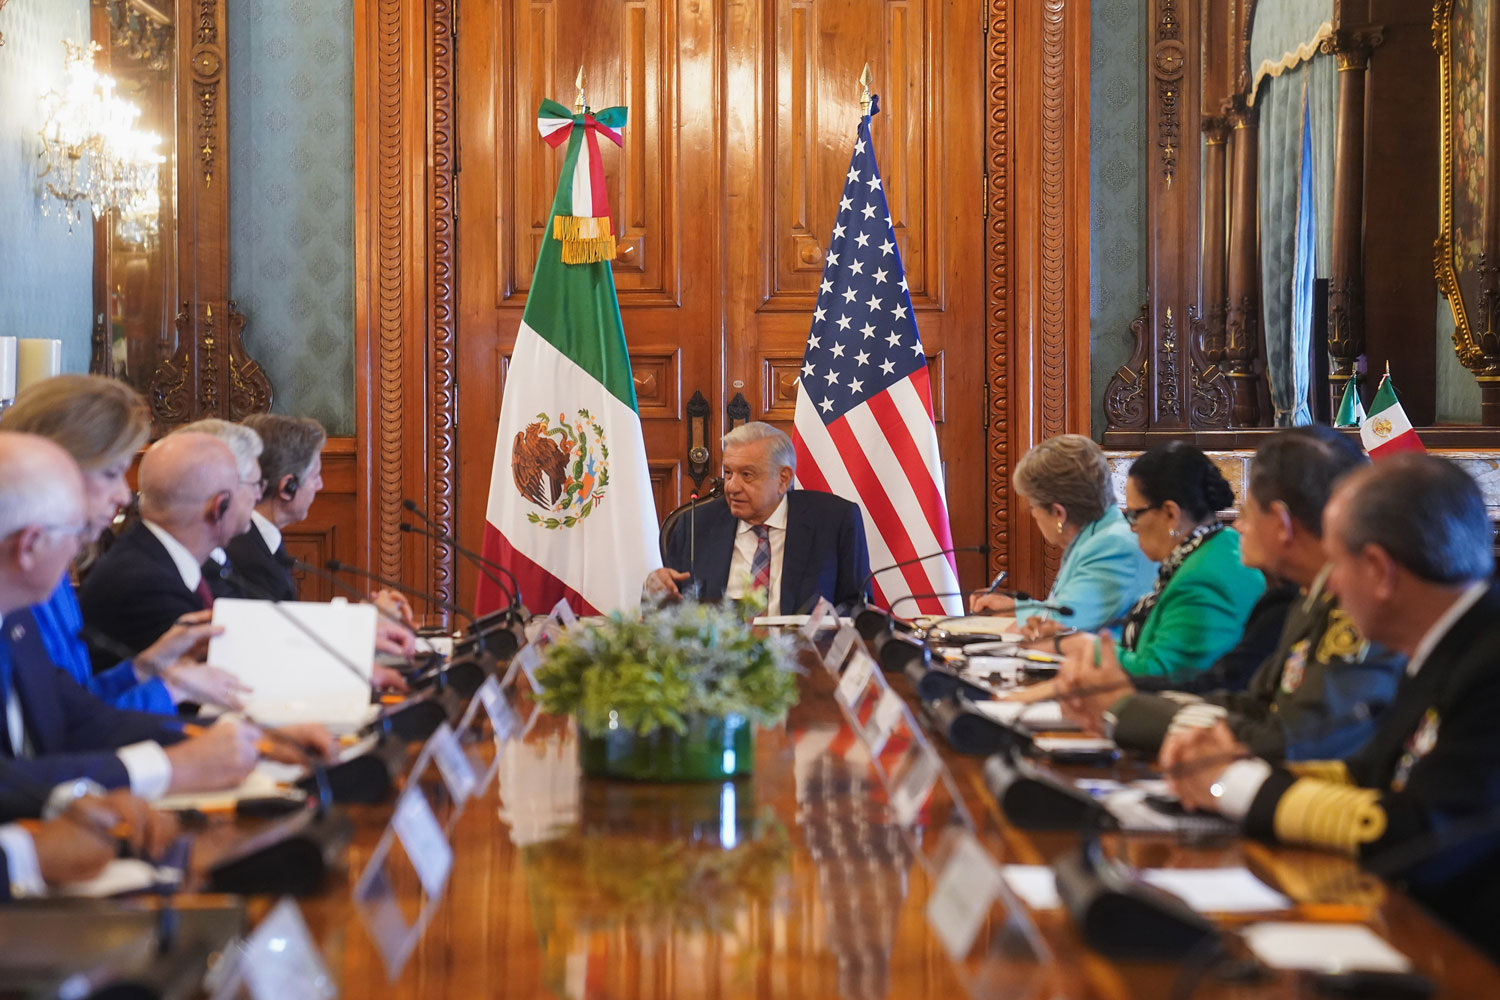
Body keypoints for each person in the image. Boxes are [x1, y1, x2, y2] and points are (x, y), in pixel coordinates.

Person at [1163, 454, 1500, 960]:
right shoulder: (1446, 642)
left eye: (1338, 564)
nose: (1332, 587)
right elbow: (1367, 773)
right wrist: (1233, 768)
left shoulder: (1487, 663)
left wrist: (1234, 786)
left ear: (1381, 572)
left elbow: (1420, 831)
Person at [0, 431, 318, 798]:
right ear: (28, 546)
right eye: (75, 533)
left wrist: (254, 738)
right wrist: (172, 767)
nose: (81, 551)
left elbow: (78, 719)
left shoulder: (17, 624)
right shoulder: (34, 616)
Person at [1057, 427, 1404, 761]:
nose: (1237, 526)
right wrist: (1128, 705)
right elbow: (1253, 702)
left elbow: (1294, 738)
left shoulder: (1355, 609)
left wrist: (1125, 707)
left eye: (1248, 513)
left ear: (1282, 524)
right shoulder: (1305, 598)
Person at [0, 375, 247, 713]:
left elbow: (71, 707)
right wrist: (167, 690)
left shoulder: (52, 574)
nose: (123, 495)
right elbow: (54, 740)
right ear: (56, 467)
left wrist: (144, 667)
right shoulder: (22, 577)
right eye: (110, 473)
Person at [1011, 442, 1264, 701]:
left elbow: (1163, 674)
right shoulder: (1207, 553)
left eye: (1134, 515)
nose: (1130, 528)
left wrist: (1076, 644)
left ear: (1170, 515)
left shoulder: (1206, 576)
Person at [646, 422, 870, 613]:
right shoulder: (695, 524)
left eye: (746, 475)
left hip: (803, 656)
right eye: (728, 473)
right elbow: (666, 610)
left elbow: (857, 608)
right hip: (717, 657)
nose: (732, 487)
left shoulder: (835, 522)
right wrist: (655, 589)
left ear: (783, 479)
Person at [78, 432, 253, 671]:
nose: (257, 496)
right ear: (219, 507)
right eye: (242, 487)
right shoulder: (148, 584)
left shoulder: (152, 556)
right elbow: (202, 690)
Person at [968, 434, 1156, 633]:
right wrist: (1015, 609)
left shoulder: (1113, 545)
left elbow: (1060, 626)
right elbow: (1070, 608)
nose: (1033, 515)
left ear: (1059, 513)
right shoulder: (1098, 535)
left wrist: (1019, 618)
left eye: (1032, 507)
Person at [227, 414, 327, 602]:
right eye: (315, 476)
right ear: (288, 486)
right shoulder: (248, 557)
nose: (320, 485)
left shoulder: (259, 539)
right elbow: (276, 629)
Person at [173, 418, 266, 600]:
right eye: (255, 484)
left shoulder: (216, 552)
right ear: (222, 497)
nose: (259, 495)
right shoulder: (161, 573)